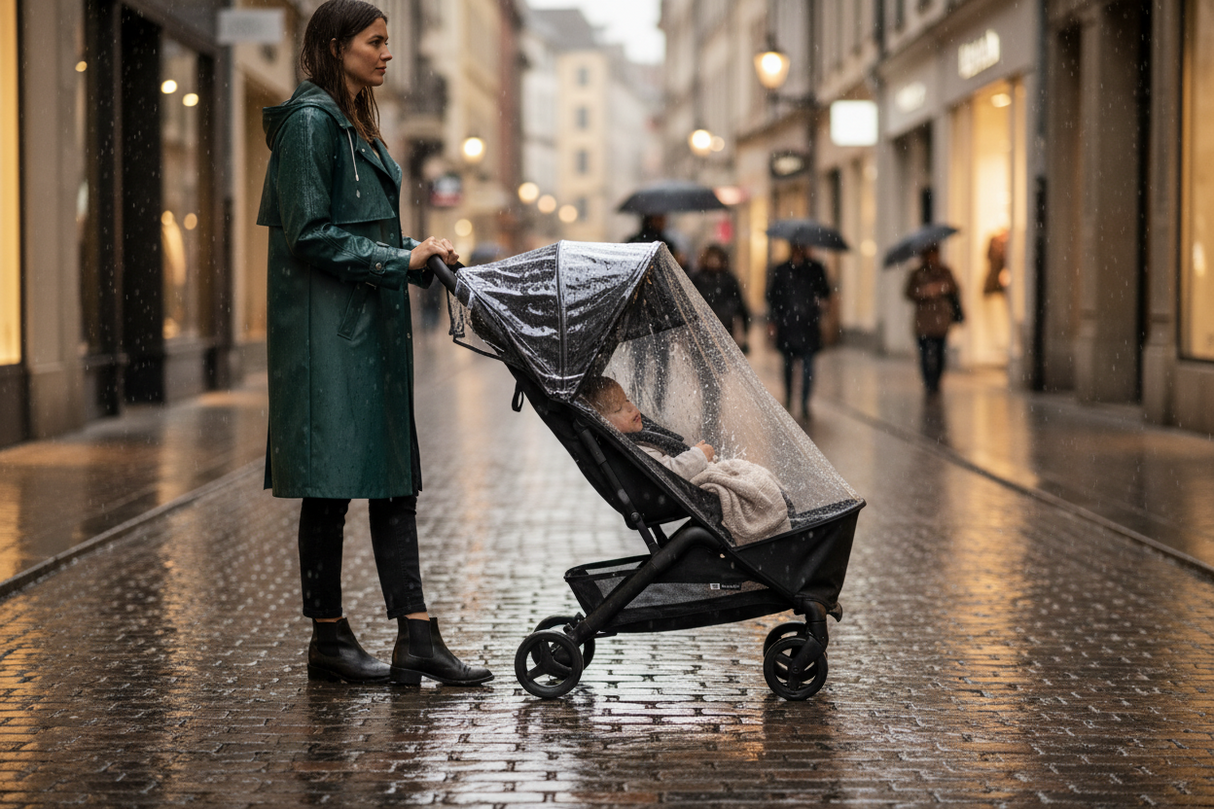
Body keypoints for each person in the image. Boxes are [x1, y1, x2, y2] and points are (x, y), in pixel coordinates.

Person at [257, 0, 492, 687]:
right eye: (375, 41)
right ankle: (329, 637)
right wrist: (398, 259)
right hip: (329, 338)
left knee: (393, 483)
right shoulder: (310, 123)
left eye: (389, 41)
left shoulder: (353, 120)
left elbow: (363, 229)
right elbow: (309, 233)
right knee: (329, 489)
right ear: (337, 46)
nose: (388, 53)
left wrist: (415, 250)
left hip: (368, 330)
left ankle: (415, 634)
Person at [582, 377, 795, 543]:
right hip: (669, 494)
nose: (630, 408)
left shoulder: (629, 443)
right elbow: (669, 473)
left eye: (627, 400)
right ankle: (778, 528)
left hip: (674, 491)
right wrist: (698, 455)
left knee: (748, 474)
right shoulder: (633, 449)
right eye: (619, 409)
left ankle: (781, 514)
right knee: (750, 484)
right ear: (605, 425)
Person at [766, 243, 832, 419]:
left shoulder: (815, 269)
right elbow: (773, 297)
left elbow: (825, 291)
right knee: (788, 364)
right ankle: (789, 397)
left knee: (808, 365)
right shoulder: (781, 269)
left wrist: (821, 302)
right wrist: (773, 320)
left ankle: (804, 403)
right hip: (787, 324)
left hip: (808, 324)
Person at [904, 244, 961, 395]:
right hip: (923, 321)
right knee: (925, 354)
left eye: (934, 254)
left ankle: (936, 381)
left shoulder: (945, 271)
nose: (932, 258)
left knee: (940, 353)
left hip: (941, 320)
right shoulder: (917, 273)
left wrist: (942, 287)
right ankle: (928, 382)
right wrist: (924, 292)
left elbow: (955, 289)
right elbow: (908, 293)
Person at [690, 244, 751, 352]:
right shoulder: (697, 278)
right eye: (711, 258)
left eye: (716, 258)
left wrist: (744, 331)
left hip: (724, 328)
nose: (713, 262)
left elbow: (740, 305)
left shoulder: (729, 279)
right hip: (701, 329)